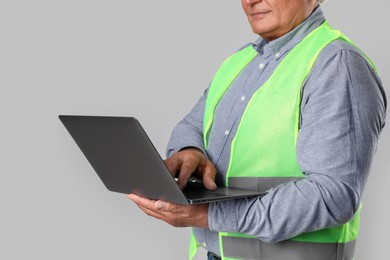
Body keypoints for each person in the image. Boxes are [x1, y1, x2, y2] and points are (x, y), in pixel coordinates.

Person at [128, 0, 387, 259]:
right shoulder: (240, 62)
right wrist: (189, 150)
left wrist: (209, 215)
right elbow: (191, 124)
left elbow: (334, 194)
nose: (251, 0)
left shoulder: (336, 64)